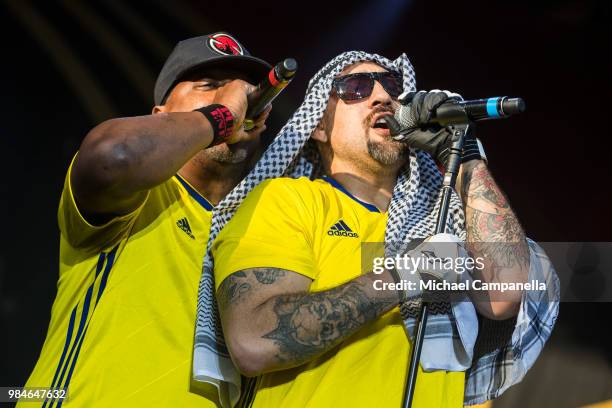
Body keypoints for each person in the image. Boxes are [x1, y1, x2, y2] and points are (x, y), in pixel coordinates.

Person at [209, 51, 559, 407]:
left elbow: (506, 292)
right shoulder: (289, 199)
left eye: (392, 86)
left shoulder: (446, 221)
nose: (382, 97)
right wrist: (406, 276)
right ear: (319, 124)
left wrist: (466, 154)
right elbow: (254, 342)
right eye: (356, 88)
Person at [20, 32, 273, 407]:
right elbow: (114, 156)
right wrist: (221, 118)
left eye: (244, 92)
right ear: (160, 115)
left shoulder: (267, 225)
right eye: (209, 86)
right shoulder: (141, 195)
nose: (235, 98)